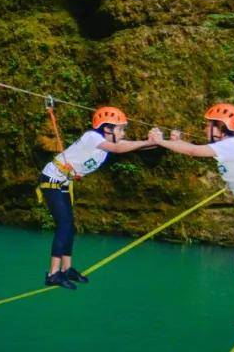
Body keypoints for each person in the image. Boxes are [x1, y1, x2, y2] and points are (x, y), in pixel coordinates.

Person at [148, 103, 234, 330]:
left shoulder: (230, 146)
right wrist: (175, 141)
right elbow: (194, 149)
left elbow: (193, 151)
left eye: (208, 125)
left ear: (220, 127)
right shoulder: (232, 144)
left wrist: (160, 141)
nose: (204, 128)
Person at [39, 106, 152, 289]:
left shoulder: (103, 147)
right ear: (107, 129)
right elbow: (119, 147)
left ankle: (67, 269)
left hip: (63, 182)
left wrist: (157, 142)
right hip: (52, 178)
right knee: (64, 225)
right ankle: (53, 273)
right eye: (121, 129)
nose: (123, 133)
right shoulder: (92, 137)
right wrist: (147, 141)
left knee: (70, 226)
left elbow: (127, 146)